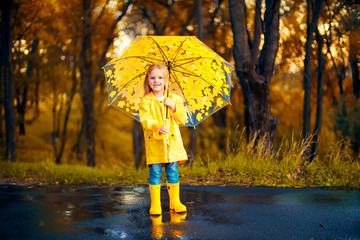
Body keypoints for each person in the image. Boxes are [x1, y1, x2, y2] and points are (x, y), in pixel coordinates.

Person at [139, 63, 188, 216]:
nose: (156, 81)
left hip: (172, 143)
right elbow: (145, 119)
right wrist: (158, 126)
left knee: (172, 171)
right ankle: (156, 204)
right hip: (155, 142)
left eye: (160, 77)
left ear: (166, 79)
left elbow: (182, 118)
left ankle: (175, 201)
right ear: (148, 80)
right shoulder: (146, 101)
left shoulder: (174, 98)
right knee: (155, 172)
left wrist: (173, 107)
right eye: (153, 78)